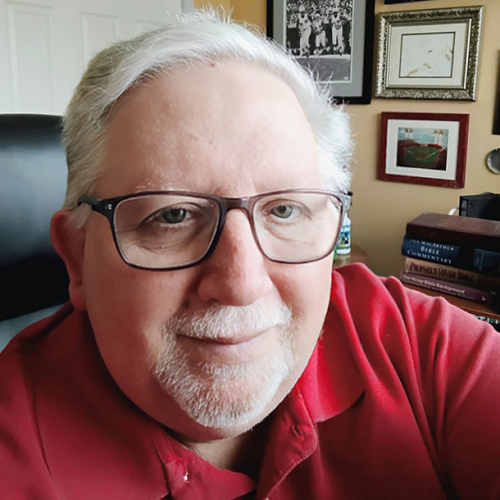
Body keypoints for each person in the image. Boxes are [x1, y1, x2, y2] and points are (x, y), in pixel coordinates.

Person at [1, 10, 500, 500]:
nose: (241, 284)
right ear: (77, 257)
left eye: (284, 209)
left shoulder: (417, 347)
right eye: (173, 215)